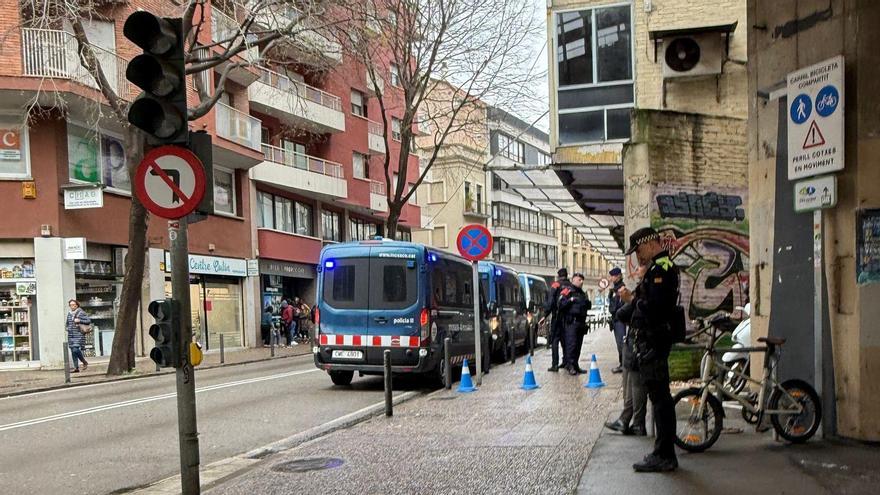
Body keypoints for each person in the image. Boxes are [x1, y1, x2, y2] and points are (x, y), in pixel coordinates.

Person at [618, 227, 681, 472]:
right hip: (651, 342)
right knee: (659, 398)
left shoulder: (662, 269)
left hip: (655, 341)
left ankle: (665, 455)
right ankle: (662, 452)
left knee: (661, 400)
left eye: (638, 250)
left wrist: (632, 301)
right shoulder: (656, 268)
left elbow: (656, 309)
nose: (637, 256)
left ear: (650, 244)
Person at [605, 264, 648, 437]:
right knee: (629, 380)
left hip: (641, 340)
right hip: (634, 338)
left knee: (637, 384)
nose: (636, 270)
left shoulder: (644, 289)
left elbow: (626, 312)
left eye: (640, 267)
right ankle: (625, 419)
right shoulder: (641, 288)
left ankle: (637, 423)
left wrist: (629, 300)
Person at [557, 272, 590, 376]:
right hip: (571, 322)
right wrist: (570, 300)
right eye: (579, 280)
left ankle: (575, 365)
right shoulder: (568, 291)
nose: (581, 282)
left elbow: (587, 305)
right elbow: (560, 304)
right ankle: (570, 365)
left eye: (582, 280)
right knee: (571, 344)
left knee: (578, 346)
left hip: (581, 322)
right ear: (573, 280)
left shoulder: (582, 293)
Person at [541, 268, 571, 372]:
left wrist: (545, 315)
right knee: (566, 341)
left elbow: (550, 303)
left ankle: (555, 364)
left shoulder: (555, 285)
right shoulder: (570, 286)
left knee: (555, 340)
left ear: (559, 276)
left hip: (557, 317)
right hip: (568, 319)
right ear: (567, 275)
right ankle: (566, 362)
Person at [607, 267, 626, 374]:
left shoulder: (621, 288)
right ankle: (621, 364)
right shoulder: (615, 289)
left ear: (618, 276)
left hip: (619, 320)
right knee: (619, 344)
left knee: (621, 343)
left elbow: (617, 306)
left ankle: (623, 365)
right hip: (616, 320)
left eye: (612, 276)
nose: (611, 278)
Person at [66, 299, 90, 373]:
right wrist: (67, 328)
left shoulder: (81, 312)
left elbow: (88, 321)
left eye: (74, 305)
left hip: (79, 334)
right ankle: (76, 368)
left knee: (75, 349)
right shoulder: (69, 313)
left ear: (77, 305)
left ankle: (84, 362)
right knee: (73, 351)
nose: (72, 306)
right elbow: (67, 323)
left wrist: (79, 320)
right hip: (71, 335)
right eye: (71, 305)